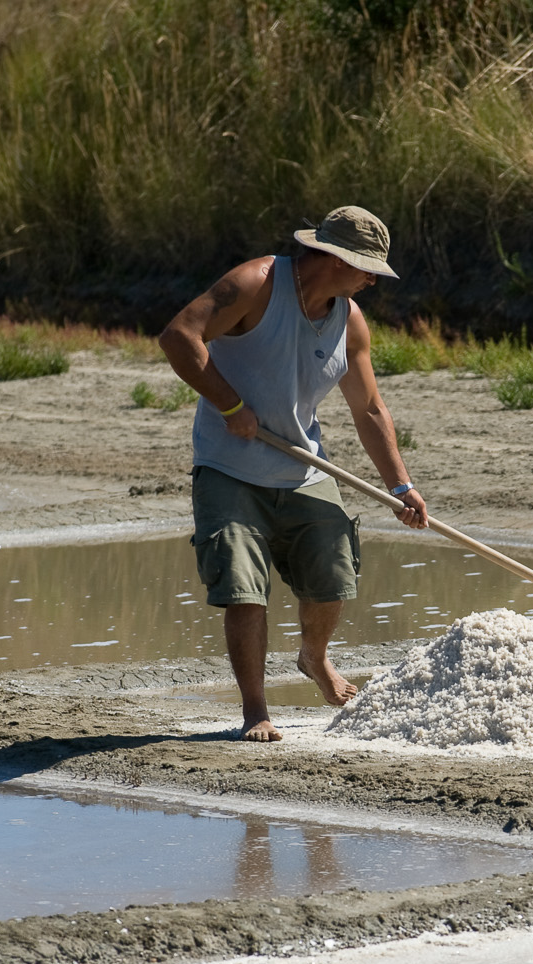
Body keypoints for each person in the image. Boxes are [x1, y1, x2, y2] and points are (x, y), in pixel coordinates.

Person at [158, 205, 428, 743]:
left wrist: (401, 485)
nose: (372, 279)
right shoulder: (256, 284)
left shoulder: (348, 319)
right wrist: (231, 407)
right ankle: (255, 709)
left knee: (333, 573)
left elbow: (369, 409)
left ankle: (314, 657)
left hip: (305, 466)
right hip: (229, 465)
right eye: (364, 266)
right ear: (329, 256)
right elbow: (180, 336)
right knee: (243, 589)